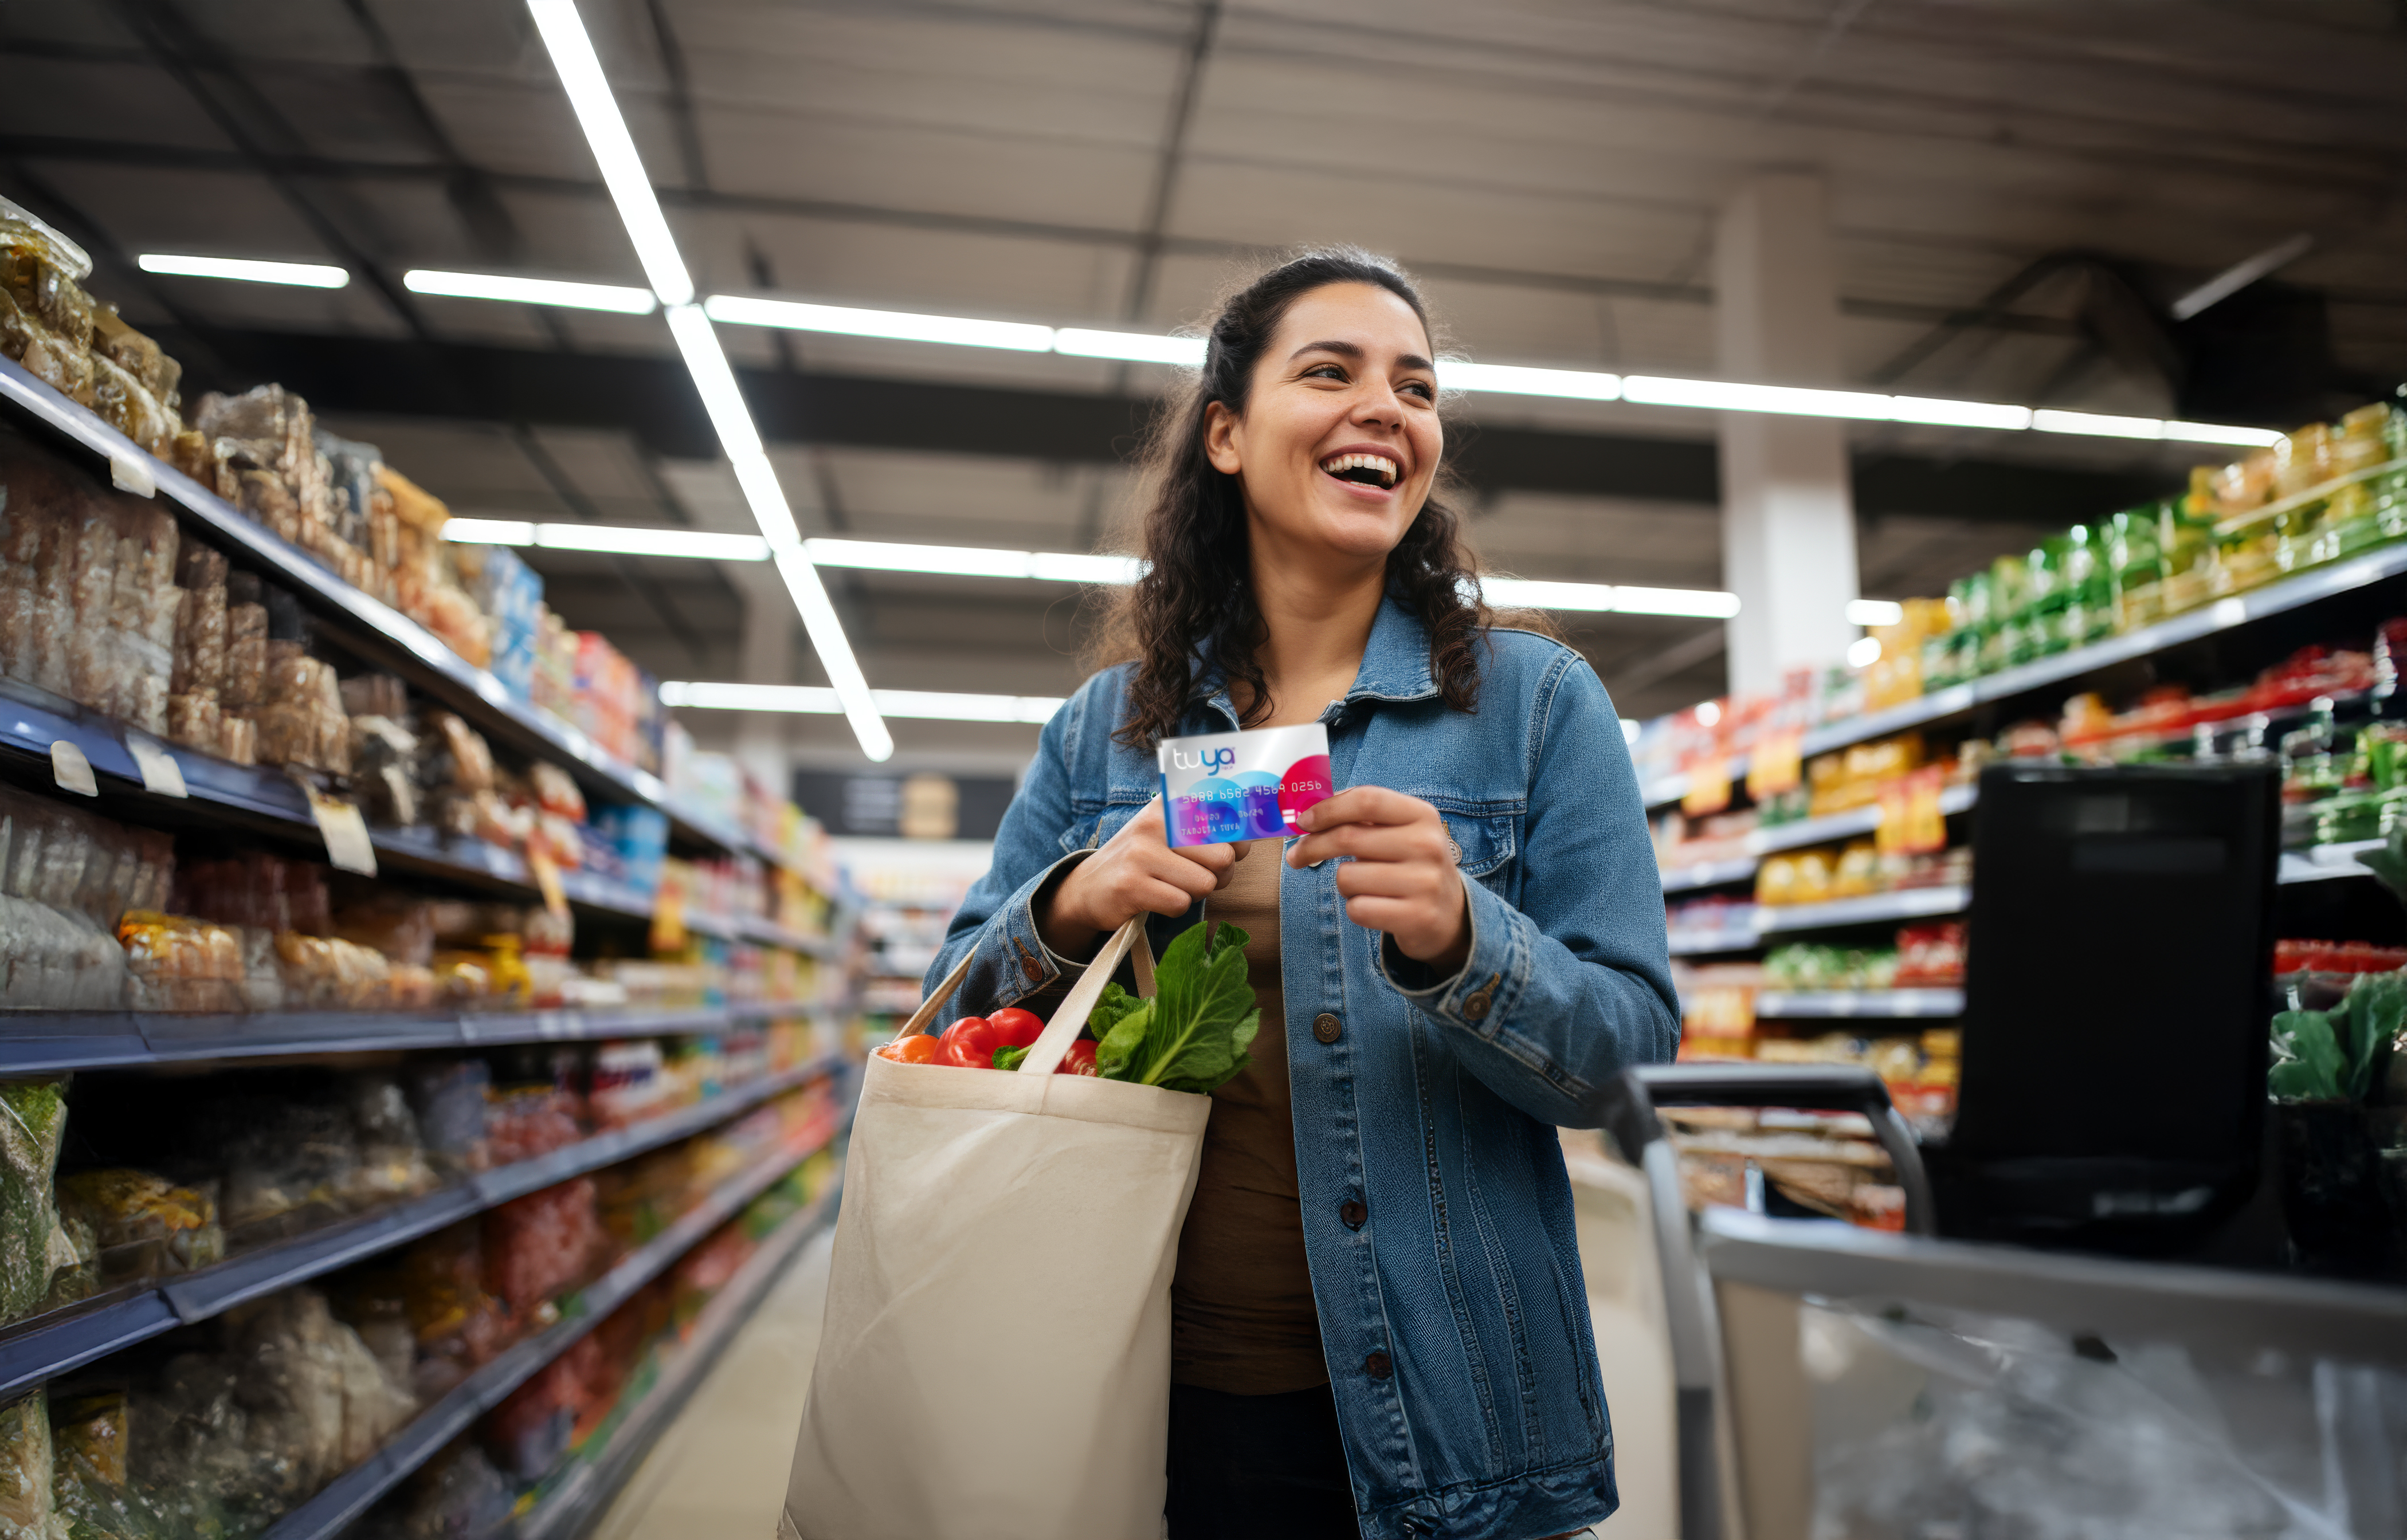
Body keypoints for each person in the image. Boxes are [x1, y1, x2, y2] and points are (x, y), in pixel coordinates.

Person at [925, 247, 1679, 1540]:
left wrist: (1466, 940)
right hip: (1147, 1384)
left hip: (1451, 1408)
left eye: (1416, 388)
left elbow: (1631, 1069)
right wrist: (1072, 906)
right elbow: (943, 1019)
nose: (1385, 407)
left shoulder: (1538, 707)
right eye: (1330, 372)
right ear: (1225, 435)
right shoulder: (1107, 729)